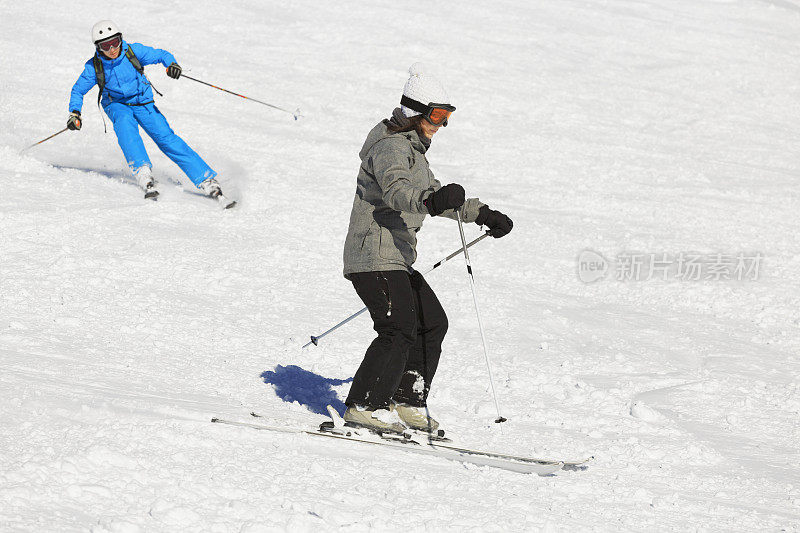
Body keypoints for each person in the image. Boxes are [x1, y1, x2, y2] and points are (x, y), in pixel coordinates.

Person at [341, 63, 513, 434]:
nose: (441, 124)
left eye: (446, 116)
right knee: (398, 329)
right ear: (416, 110)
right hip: (373, 255)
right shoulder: (389, 147)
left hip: (395, 258)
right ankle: (364, 405)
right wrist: (428, 200)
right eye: (436, 114)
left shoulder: (414, 152)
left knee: (431, 323)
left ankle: (406, 401)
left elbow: (433, 196)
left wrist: (483, 214)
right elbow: (398, 191)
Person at [67, 20, 233, 206]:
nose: (112, 48)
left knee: (166, 138)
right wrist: (75, 113)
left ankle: (205, 179)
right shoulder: (94, 67)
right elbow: (78, 91)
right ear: (98, 48)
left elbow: (162, 55)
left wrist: (172, 65)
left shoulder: (132, 52)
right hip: (117, 104)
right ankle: (143, 172)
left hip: (142, 101)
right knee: (125, 127)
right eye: (106, 45)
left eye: (115, 41)